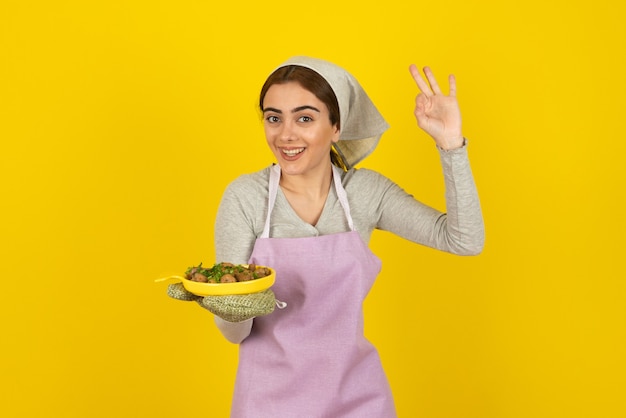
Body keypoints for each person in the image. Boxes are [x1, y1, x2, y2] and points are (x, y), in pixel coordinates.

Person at [167, 56, 484, 417]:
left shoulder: (365, 194)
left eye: (305, 118)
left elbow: (464, 239)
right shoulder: (246, 197)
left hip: (359, 399)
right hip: (269, 403)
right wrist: (226, 300)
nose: (285, 134)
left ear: (336, 127)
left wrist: (451, 145)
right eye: (274, 118)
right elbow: (234, 334)